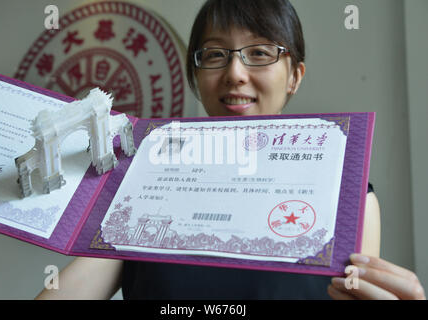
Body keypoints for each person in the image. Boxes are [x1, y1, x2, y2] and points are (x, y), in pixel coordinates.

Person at [34, 0, 425, 300]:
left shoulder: (349, 197)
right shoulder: (142, 187)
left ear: (294, 77)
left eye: (259, 53)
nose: (235, 73)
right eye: (216, 55)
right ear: (196, 75)